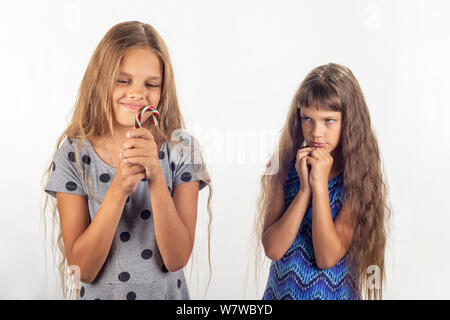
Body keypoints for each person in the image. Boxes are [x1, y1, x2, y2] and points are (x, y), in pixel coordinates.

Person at [42, 21, 212, 300]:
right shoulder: (73, 157)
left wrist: (156, 177)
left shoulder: (182, 151)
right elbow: (82, 269)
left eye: (151, 84)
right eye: (122, 80)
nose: (137, 92)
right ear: (100, 79)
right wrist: (119, 187)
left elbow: (176, 258)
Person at [256, 63, 390, 300]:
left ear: (348, 122)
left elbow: (326, 257)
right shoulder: (285, 168)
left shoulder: (359, 181)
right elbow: (274, 249)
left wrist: (319, 187)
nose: (316, 132)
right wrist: (304, 190)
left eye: (328, 121)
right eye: (307, 119)